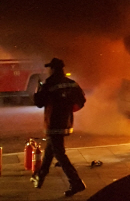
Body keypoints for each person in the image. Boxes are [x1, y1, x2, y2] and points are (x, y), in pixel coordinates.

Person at [31, 58, 86, 197]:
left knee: (59, 154)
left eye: (50, 68)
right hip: (65, 123)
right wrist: (67, 111)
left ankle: (76, 182)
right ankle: (39, 176)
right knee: (50, 151)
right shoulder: (71, 83)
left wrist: (38, 89)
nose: (48, 70)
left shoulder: (49, 83)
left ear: (53, 69)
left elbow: (39, 103)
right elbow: (81, 100)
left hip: (52, 123)